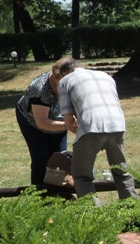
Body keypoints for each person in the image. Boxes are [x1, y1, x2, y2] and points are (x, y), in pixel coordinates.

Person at [57, 58, 138, 205]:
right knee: (121, 172)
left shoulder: (65, 81)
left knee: (81, 175)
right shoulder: (105, 76)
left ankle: (95, 216)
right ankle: (133, 212)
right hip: (117, 124)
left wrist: (77, 130)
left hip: (91, 125)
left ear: (64, 72)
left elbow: (68, 121)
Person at [15, 57, 73, 185]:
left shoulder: (74, 84)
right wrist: (67, 125)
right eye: (56, 83)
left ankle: (56, 194)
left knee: (59, 159)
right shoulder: (39, 89)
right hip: (32, 124)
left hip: (58, 121)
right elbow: (42, 122)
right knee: (41, 159)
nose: (58, 88)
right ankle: (39, 197)